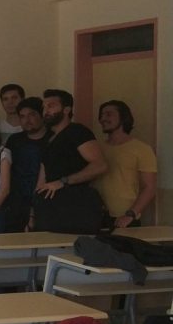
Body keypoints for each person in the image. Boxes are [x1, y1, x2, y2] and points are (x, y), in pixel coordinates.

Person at [33, 89, 107, 234]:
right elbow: (43, 176)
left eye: (51, 106)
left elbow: (100, 165)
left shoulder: (78, 132)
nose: (46, 110)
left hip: (76, 205)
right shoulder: (47, 138)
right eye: (44, 107)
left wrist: (63, 181)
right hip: (48, 207)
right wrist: (34, 210)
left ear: (66, 109)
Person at [94, 100, 157, 228]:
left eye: (109, 114)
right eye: (101, 115)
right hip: (95, 214)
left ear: (123, 117)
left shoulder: (142, 149)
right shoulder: (96, 148)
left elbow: (149, 188)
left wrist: (130, 215)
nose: (103, 119)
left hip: (124, 218)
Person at [3, 97, 52, 233]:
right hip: (16, 203)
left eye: (32, 114)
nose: (27, 120)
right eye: (22, 116)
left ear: (42, 115)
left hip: (46, 201)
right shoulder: (14, 140)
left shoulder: (53, 138)